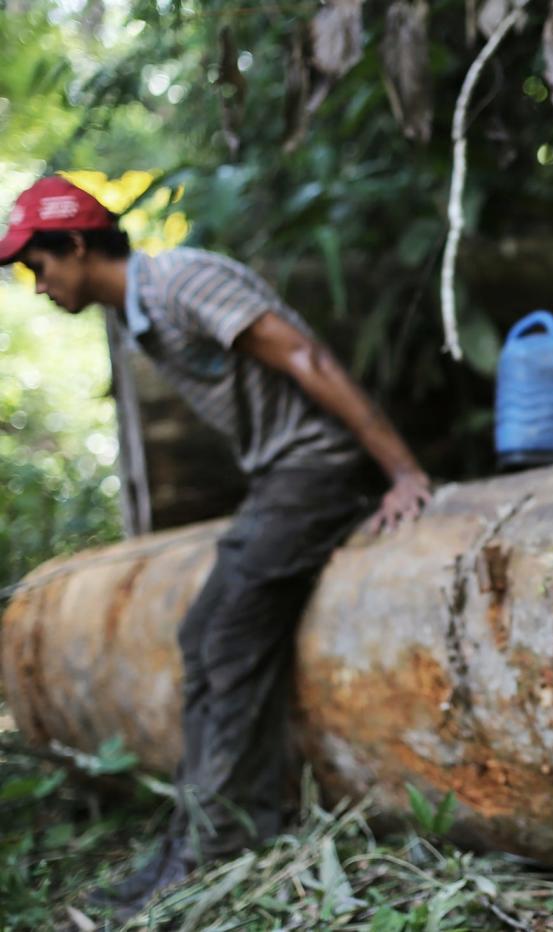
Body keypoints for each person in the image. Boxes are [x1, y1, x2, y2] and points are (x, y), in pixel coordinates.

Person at [0, 175, 434, 914]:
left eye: (38, 268)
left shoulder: (181, 281)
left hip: (317, 469)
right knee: (205, 633)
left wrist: (401, 470)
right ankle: (203, 833)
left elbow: (306, 357)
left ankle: (219, 841)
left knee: (225, 633)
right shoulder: (134, 315)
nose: (38, 288)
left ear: (75, 244)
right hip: (280, 481)